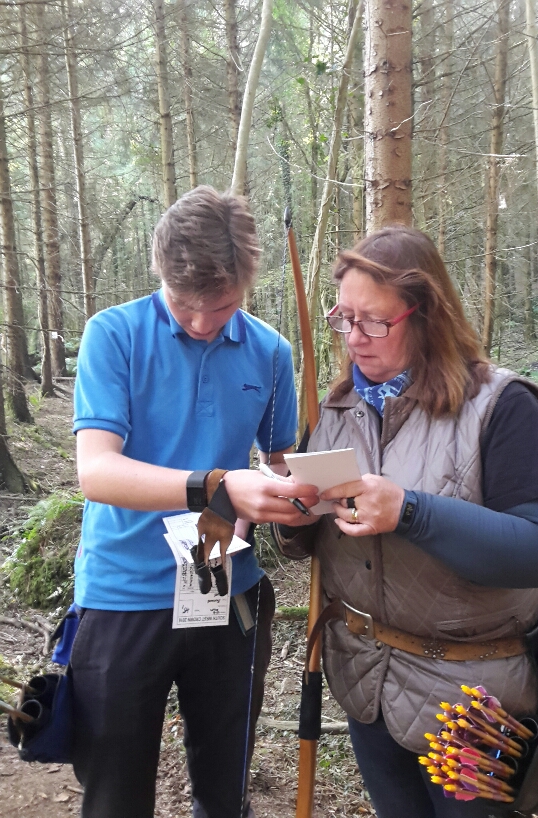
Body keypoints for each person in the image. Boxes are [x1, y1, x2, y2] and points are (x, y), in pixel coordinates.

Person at [273, 225, 538, 818]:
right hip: (368, 684)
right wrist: (291, 513)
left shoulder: (501, 405)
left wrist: (410, 511)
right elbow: (308, 540)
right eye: (344, 319)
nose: (355, 338)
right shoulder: (335, 408)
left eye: (375, 322)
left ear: (426, 314)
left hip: (473, 701)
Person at [71, 185, 318, 818]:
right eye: (185, 305)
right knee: (114, 794)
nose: (204, 323)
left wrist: (301, 495)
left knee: (224, 789)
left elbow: (279, 460)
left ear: (247, 285)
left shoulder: (270, 351)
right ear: (160, 274)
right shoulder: (114, 335)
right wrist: (216, 485)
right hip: (123, 595)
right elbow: (96, 472)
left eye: (224, 306)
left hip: (226, 590)